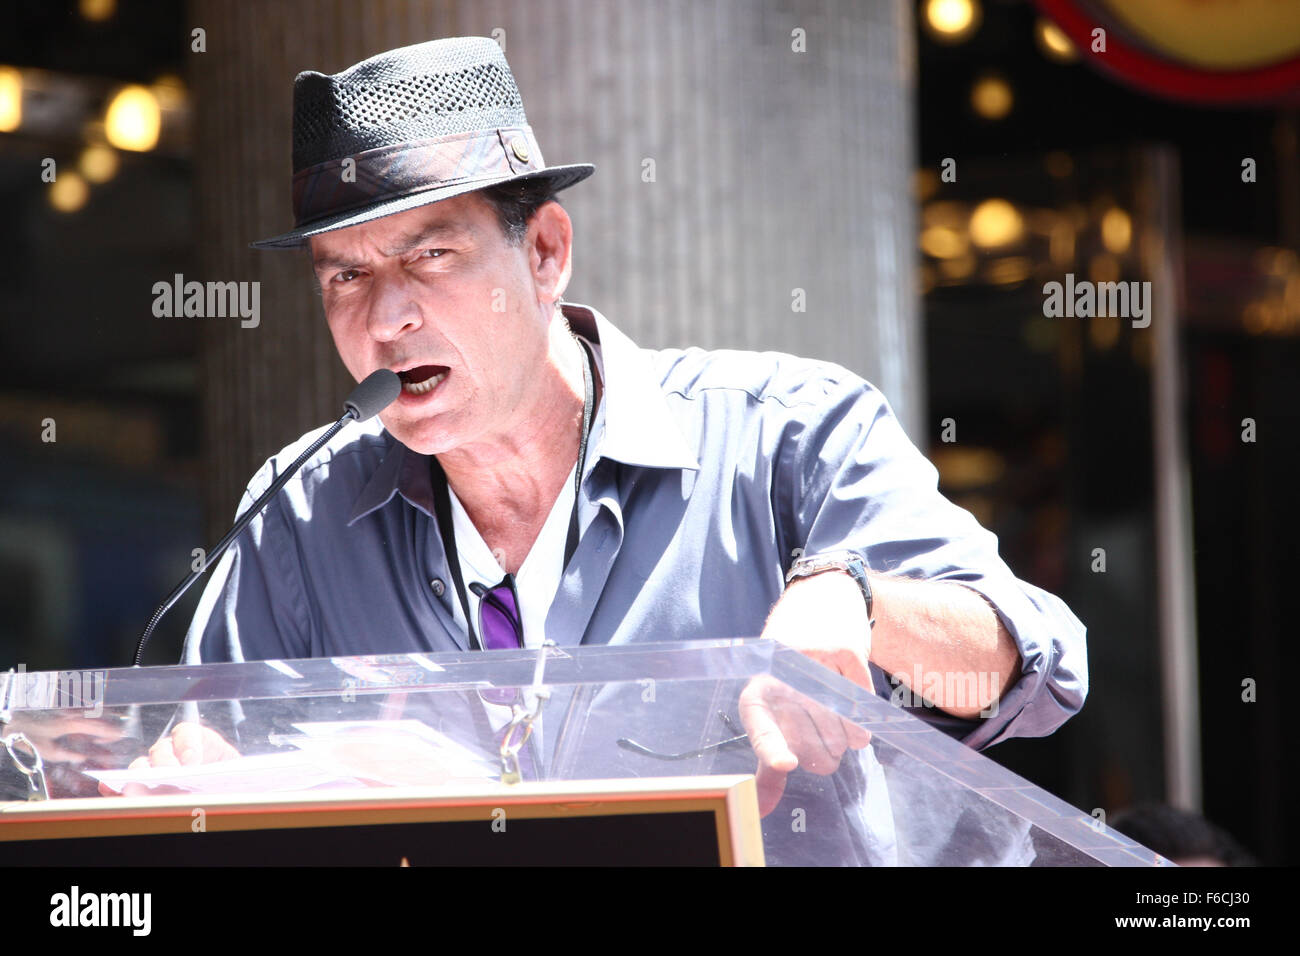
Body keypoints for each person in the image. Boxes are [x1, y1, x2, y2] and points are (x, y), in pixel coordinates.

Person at [166, 37, 1087, 822]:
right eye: (345, 277)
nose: (386, 319)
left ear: (545, 252)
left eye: (432, 255)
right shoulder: (299, 512)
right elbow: (202, 783)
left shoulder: (785, 435)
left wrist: (857, 601)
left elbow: (1034, 675)